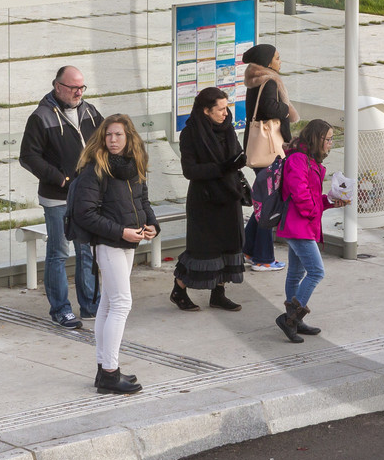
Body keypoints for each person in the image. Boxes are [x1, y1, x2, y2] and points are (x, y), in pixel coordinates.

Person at [69, 114, 157, 394]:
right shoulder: (95, 169)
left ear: (129, 137)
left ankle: (103, 369)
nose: (113, 140)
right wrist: (121, 232)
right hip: (108, 243)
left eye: (118, 134)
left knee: (108, 304)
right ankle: (109, 372)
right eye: (108, 135)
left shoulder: (134, 164)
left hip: (129, 241)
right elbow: (85, 213)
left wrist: (152, 224)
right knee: (121, 304)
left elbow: (143, 200)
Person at [18, 66, 102, 329]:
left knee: (86, 250)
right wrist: (60, 178)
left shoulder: (90, 112)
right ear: (58, 86)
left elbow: (104, 144)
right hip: (57, 198)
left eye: (82, 87)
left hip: (86, 196)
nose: (79, 93)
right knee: (58, 252)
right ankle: (60, 310)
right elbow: (28, 156)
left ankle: (91, 305)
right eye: (73, 88)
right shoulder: (41, 117)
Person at [171, 86, 247, 312]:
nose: (226, 113)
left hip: (229, 195)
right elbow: (190, 171)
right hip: (205, 200)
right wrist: (222, 167)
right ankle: (179, 289)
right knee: (202, 251)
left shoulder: (228, 128)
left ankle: (218, 294)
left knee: (228, 247)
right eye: (220, 109)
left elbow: (236, 154)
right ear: (206, 110)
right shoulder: (191, 133)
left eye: (227, 108)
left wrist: (239, 161)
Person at [275, 120, 342, 343]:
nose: (330, 143)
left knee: (296, 274)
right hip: (298, 225)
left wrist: (330, 201)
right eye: (328, 139)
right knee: (316, 272)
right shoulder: (298, 159)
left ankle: (294, 321)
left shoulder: (309, 160)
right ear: (317, 138)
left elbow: (310, 197)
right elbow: (300, 194)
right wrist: (314, 211)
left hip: (303, 224)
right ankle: (291, 319)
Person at [242, 43, 297, 272]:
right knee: (268, 205)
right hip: (270, 151)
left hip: (257, 147)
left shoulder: (254, 80)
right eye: (277, 57)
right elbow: (269, 108)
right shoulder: (270, 81)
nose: (280, 61)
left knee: (263, 202)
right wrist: (286, 109)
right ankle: (263, 259)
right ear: (267, 61)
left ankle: (247, 249)